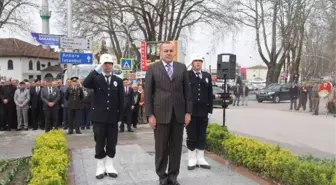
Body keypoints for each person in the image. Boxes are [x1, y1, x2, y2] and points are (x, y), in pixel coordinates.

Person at [144, 41, 192, 185]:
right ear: (160, 53)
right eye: (166, 51)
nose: (169, 53)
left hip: (178, 115)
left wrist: (188, 112)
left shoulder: (181, 68)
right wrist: (150, 114)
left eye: (171, 51)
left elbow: (187, 93)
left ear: (174, 52)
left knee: (176, 148)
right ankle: (162, 176)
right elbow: (147, 94)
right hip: (160, 115)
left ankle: (173, 176)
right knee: (161, 148)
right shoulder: (152, 69)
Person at [83, 53, 124, 179]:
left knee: (112, 142)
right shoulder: (96, 79)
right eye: (105, 64)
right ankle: (100, 166)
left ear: (112, 65)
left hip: (112, 117)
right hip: (99, 117)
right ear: (101, 65)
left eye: (109, 63)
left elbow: (121, 101)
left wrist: (120, 119)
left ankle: (109, 165)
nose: (107, 66)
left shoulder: (118, 80)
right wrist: (96, 69)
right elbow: (85, 83)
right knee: (99, 141)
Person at [186, 55, 213, 171]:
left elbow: (210, 93)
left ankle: (201, 158)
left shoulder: (207, 76)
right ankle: (192, 159)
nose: (198, 63)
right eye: (195, 61)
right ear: (192, 63)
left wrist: (210, 110)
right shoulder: (187, 75)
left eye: (199, 61)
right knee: (191, 135)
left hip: (203, 111)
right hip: (190, 111)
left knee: (202, 134)